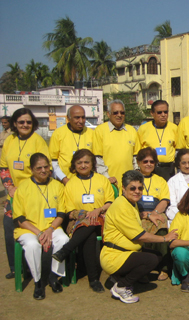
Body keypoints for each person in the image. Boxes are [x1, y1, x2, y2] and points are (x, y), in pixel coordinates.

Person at [100, 170, 178, 304]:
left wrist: (148, 214)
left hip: (125, 252)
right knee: (151, 260)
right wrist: (165, 238)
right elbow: (140, 236)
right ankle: (121, 286)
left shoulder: (131, 203)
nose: (137, 191)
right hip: (114, 256)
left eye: (140, 188)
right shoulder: (121, 205)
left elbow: (136, 216)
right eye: (132, 188)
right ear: (123, 189)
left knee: (157, 255)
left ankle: (120, 276)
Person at [52, 149, 115, 293]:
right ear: (74, 165)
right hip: (78, 222)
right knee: (90, 233)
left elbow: (110, 202)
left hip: (102, 219)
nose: (83, 165)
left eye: (87, 162)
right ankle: (93, 279)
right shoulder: (70, 184)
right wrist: (88, 214)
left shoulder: (102, 180)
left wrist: (97, 210)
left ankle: (65, 251)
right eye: (79, 163)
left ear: (92, 164)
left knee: (93, 223)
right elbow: (69, 211)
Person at [0, 108, 50, 280]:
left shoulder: (38, 141)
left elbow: (44, 169)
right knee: (8, 226)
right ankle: (15, 267)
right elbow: (3, 167)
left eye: (28, 122)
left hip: (34, 194)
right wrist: (9, 187)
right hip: (14, 194)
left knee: (33, 228)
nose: (25, 125)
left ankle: (34, 267)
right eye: (21, 122)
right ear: (14, 123)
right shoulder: (9, 141)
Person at [13, 153, 69, 300]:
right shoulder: (23, 187)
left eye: (46, 167)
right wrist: (39, 233)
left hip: (52, 227)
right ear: (31, 169)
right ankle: (38, 282)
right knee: (32, 245)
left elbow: (61, 214)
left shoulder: (57, 186)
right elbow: (19, 218)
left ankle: (53, 276)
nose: (43, 170)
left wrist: (50, 230)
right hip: (29, 229)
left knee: (63, 239)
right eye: (39, 168)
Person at [136, 147, 171, 281]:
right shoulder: (133, 178)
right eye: (145, 161)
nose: (149, 164)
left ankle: (163, 267)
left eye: (152, 161)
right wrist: (147, 215)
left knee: (162, 224)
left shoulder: (160, 180)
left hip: (157, 211)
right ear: (138, 162)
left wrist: (155, 213)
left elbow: (164, 200)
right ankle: (143, 268)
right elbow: (128, 202)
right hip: (138, 212)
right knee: (139, 226)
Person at [93, 99, 140, 189]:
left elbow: (136, 157)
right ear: (108, 114)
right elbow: (97, 158)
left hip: (129, 183)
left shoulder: (132, 131)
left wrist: (135, 175)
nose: (119, 115)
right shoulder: (100, 131)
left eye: (122, 113)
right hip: (108, 182)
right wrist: (107, 177)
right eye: (115, 113)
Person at [49, 105, 94, 185]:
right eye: (77, 117)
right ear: (68, 118)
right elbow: (53, 162)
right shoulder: (58, 134)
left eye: (83, 117)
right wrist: (63, 178)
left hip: (87, 182)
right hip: (64, 182)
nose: (81, 121)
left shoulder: (92, 134)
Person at [137, 100, 177, 181]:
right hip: (150, 169)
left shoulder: (174, 128)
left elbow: (177, 149)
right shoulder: (143, 129)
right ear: (152, 113)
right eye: (159, 112)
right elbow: (138, 152)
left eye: (165, 112)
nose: (163, 115)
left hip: (168, 170)